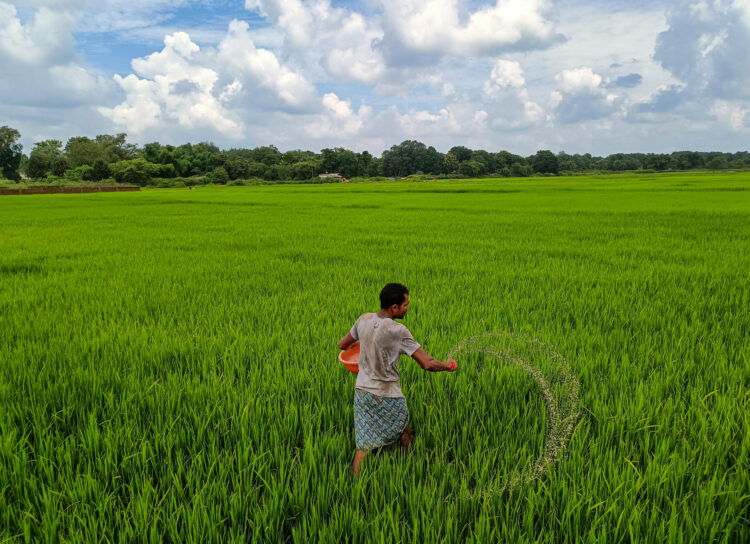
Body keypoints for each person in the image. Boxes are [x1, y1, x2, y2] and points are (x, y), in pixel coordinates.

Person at [337, 283, 458, 476]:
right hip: (387, 394)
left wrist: (366, 341)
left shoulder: (364, 319)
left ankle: (354, 481)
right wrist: (448, 366)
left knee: (363, 444)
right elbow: (426, 363)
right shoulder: (398, 330)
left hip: (362, 391)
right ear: (394, 307)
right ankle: (409, 464)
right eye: (405, 305)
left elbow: (342, 344)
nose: (407, 308)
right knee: (404, 429)